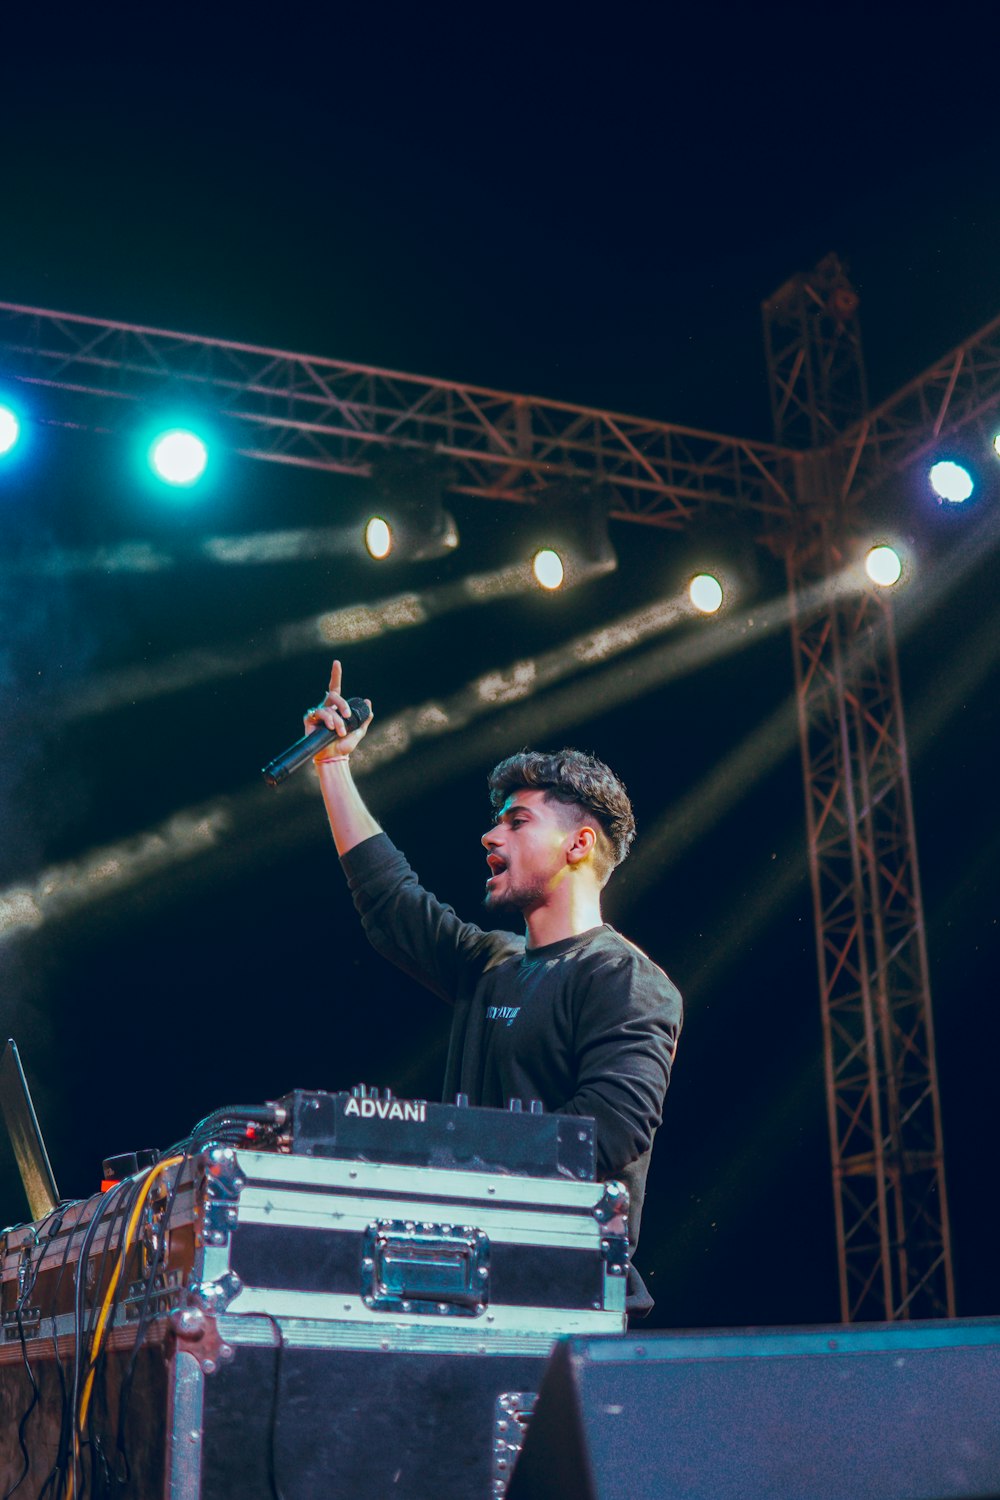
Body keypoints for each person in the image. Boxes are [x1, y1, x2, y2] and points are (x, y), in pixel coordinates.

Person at [307, 660, 683, 1315]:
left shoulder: (625, 980)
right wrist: (333, 765)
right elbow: (390, 898)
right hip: (461, 1289)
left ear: (578, 845)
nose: (490, 834)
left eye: (517, 821)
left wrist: (436, 1146)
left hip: (560, 1305)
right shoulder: (490, 962)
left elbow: (604, 1134)